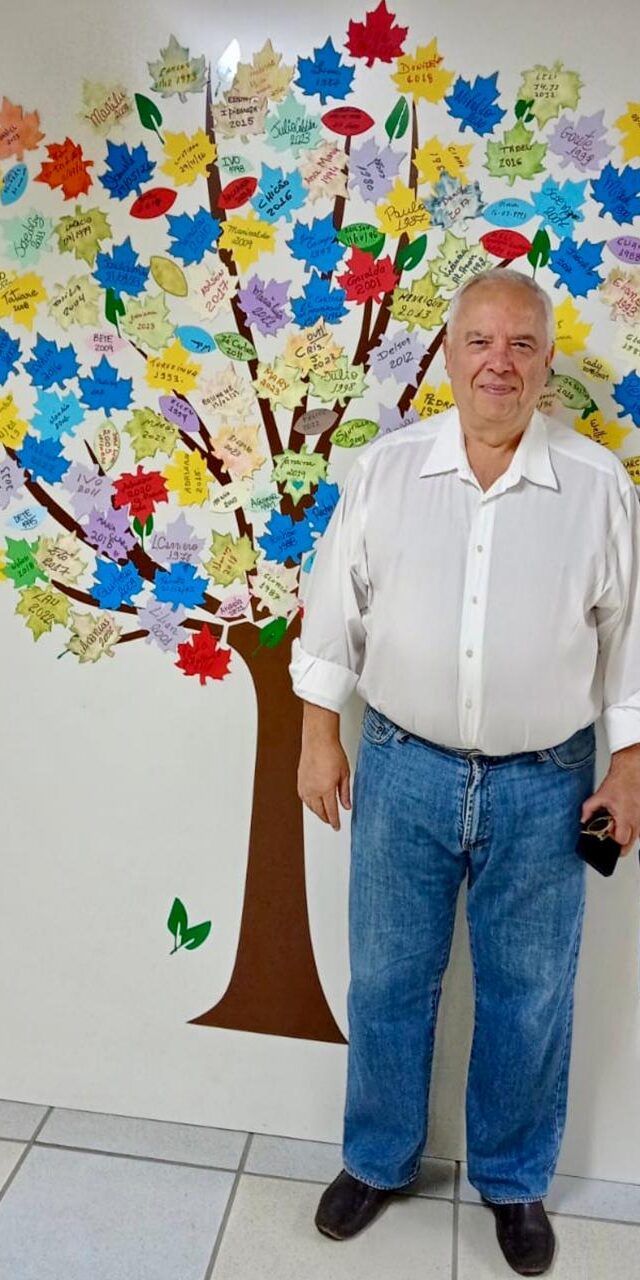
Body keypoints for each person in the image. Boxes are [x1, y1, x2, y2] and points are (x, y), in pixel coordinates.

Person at [289, 268, 640, 1277]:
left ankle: (514, 1179)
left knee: (530, 992)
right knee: (388, 980)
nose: (499, 362)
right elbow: (333, 609)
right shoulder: (387, 469)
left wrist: (628, 769)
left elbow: (628, 638)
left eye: (521, 344)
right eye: (480, 341)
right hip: (403, 769)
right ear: (448, 355)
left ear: (545, 363)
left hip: (547, 784)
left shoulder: (598, 486)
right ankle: (377, 1159)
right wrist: (319, 734)